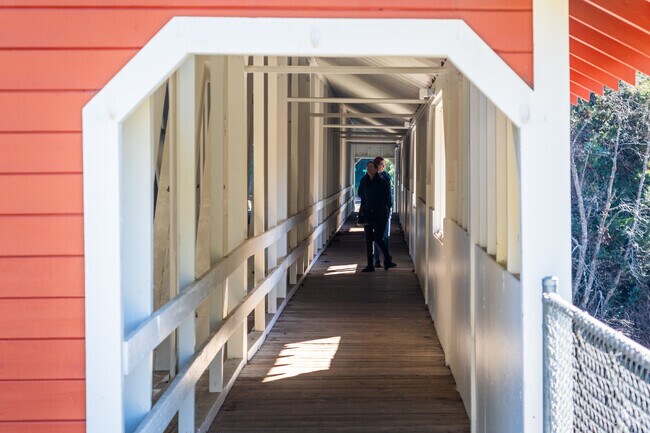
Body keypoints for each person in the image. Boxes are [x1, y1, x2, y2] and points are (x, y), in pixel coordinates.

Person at [357, 160, 397, 272]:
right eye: (368, 167)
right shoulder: (364, 180)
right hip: (367, 213)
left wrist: (383, 209)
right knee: (368, 239)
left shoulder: (382, 182)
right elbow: (359, 193)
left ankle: (387, 258)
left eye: (371, 167)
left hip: (380, 214)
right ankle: (370, 265)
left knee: (378, 237)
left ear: (376, 169)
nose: (369, 168)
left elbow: (385, 198)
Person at [373, 156, 392, 267]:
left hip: (386, 210)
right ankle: (377, 259)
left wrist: (389, 208)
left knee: (386, 236)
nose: (384, 166)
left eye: (384, 164)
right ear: (376, 165)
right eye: (381, 164)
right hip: (376, 212)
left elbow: (389, 195)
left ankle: (386, 259)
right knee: (377, 236)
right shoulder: (372, 178)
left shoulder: (387, 177)